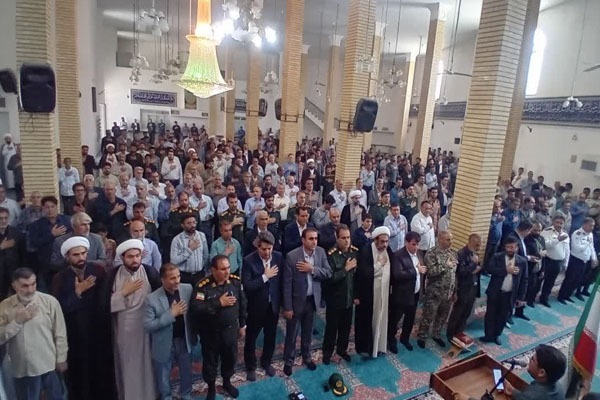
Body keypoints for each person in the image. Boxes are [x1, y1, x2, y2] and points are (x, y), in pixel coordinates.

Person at [52, 237, 116, 400]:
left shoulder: (98, 271)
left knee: (101, 371)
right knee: (79, 374)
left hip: (99, 331)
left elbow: (105, 301)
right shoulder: (60, 278)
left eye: (83, 253)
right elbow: (60, 308)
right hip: (75, 335)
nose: (81, 257)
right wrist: (77, 293)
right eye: (76, 255)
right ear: (68, 257)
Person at [0, 268, 68, 400]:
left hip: (49, 366)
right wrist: (17, 322)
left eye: (33, 284)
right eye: (25, 286)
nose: (30, 289)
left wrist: (61, 358)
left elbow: (60, 332)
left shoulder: (49, 302)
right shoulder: (5, 307)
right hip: (23, 369)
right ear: (14, 286)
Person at [108, 239, 160, 400]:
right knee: (128, 364)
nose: (135, 260)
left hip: (146, 327)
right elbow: (103, 306)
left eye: (138, 256)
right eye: (130, 257)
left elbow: (160, 299)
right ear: (122, 258)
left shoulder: (150, 272)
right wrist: (123, 293)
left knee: (148, 364)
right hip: (124, 328)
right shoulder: (112, 275)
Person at [190, 255, 247, 400]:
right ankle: (211, 388)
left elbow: (242, 304)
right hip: (210, 332)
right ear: (213, 270)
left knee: (230, 358)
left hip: (230, 330)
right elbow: (196, 309)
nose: (227, 272)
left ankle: (227, 382)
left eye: (228, 268)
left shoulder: (235, 281)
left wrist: (242, 325)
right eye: (222, 269)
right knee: (210, 361)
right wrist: (218, 303)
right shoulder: (203, 286)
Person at [282, 228, 332, 376]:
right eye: (311, 239)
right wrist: (287, 307)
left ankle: (307, 356)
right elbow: (286, 285)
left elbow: (328, 272)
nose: (314, 242)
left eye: (316, 238)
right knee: (292, 333)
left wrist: (312, 269)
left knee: (308, 332)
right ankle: (288, 361)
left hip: (312, 300)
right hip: (296, 302)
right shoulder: (292, 256)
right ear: (303, 240)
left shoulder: (321, 252)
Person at [143, 263, 195, 400]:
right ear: (163, 280)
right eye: (172, 278)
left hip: (184, 339)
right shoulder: (151, 299)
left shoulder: (187, 289)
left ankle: (186, 395)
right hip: (164, 342)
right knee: (163, 377)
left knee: (186, 372)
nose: (177, 281)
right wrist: (171, 314)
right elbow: (148, 326)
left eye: (178, 276)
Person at [242, 231, 282, 381]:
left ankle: (266, 362)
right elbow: (248, 286)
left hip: (273, 307)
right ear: (257, 247)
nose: (267, 252)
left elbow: (281, 282)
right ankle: (250, 367)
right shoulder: (249, 261)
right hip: (255, 308)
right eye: (263, 249)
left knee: (270, 337)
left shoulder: (278, 257)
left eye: (269, 248)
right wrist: (265, 276)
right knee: (251, 338)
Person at [354, 226, 394, 358]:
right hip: (369, 294)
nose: (385, 245)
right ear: (375, 240)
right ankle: (368, 348)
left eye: (387, 241)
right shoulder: (366, 251)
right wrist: (379, 265)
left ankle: (380, 346)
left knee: (382, 319)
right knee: (368, 321)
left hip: (384, 293)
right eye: (382, 241)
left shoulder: (388, 250)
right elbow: (364, 274)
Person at [480, 236, 528, 345]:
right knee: (490, 314)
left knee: (503, 316)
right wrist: (505, 270)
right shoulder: (497, 257)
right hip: (495, 291)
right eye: (508, 247)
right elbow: (489, 269)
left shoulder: (522, 261)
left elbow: (524, 280)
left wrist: (521, 297)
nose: (510, 249)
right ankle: (488, 335)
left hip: (509, 294)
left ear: (517, 247)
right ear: (505, 247)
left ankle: (497, 335)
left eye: (513, 247)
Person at [322, 224, 358, 364]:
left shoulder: (354, 252)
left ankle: (342, 350)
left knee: (346, 328)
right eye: (343, 238)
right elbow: (329, 278)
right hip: (335, 299)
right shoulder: (331, 255)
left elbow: (357, 277)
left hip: (349, 298)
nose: (347, 240)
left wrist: (356, 296)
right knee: (331, 329)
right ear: (336, 238)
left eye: (348, 237)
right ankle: (327, 353)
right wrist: (345, 269)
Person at [417, 231, 458, 348]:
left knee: (442, 316)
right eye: (448, 240)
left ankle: (436, 334)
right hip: (434, 292)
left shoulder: (453, 253)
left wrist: (455, 290)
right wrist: (445, 265)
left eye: (452, 239)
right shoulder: (432, 253)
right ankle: (422, 336)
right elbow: (431, 272)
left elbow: (454, 274)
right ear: (440, 240)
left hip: (448, 292)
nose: (451, 242)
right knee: (428, 315)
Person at [388, 232, 426, 352]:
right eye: (413, 244)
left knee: (410, 318)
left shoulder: (419, 253)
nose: (416, 247)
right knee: (394, 320)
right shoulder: (398, 255)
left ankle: (405, 338)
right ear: (406, 242)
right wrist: (416, 270)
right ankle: (391, 340)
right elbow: (398, 274)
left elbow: (422, 271)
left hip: (415, 293)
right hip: (402, 295)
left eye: (418, 244)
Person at [446, 234, 482, 345]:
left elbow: (478, 269)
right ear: (470, 242)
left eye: (479, 245)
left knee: (467, 312)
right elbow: (461, 272)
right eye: (476, 245)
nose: (478, 247)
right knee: (458, 312)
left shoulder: (475, 253)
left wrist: (476, 268)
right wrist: (473, 265)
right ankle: (451, 334)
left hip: (473, 287)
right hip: (463, 288)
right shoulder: (461, 254)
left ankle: (459, 331)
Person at [558, 217, 597, 303]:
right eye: (590, 225)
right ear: (584, 224)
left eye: (593, 226)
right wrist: (587, 243)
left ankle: (567, 295)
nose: (592, 228)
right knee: (569, 279)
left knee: (577, 280)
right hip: (575, 260)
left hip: (584, 262)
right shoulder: (577, 234)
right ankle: (561, 296)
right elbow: (577, 248)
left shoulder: (590, 234)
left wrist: (594, 258)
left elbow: (592, 247)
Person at [170, 213, 209, 285]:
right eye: (189, 223)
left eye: (194, 222)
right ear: (182, 225)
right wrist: (189, 250)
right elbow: (174, 261)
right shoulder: (177, 240)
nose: (193, 225)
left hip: (199, 275)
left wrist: (201, 267)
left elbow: (205, 255)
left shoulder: (201, 236)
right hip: (184, 276)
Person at [539, 215, 570, 307]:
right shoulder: (547, 231)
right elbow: (544, 245)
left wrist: (566, 262)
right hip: (547, 260)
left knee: (550, 282)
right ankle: (530, 298)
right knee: (539, 280)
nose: (559, 225)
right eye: (557, 222)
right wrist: (557, 240)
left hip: (558, 262)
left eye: (561, 223)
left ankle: (544, 298)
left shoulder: (565, 234)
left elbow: (567, 249)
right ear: (553, 222)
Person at [0, 206, 25, 299]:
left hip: (13, 272)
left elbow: (22, 254)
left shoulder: (16, 233)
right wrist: (1, 247)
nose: (3, 221)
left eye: (5, 218)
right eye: (0, 218)